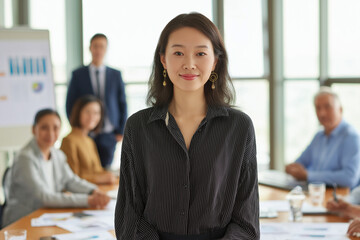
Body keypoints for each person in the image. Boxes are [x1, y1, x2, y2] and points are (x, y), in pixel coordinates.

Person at [114, 12, 259, 239]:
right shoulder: (138, 127)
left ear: (215, 61)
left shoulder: (239, 128)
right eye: (178, 53)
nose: (189, 64)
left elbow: (246, 224)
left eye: (200, 53)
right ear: (163, 59)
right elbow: (129, 217)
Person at [2, 109, 110, 227]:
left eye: (56, 128)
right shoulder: (25, 158)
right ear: (34, 130)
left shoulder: (57, 154)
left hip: (46, 216)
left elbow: (71, 180)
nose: (51, 133)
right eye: (44, 128)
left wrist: (94, 191)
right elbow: (44, 197)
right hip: (21, 222)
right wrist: (88, 200)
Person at [66, 33, 127, 168]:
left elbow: (122, 103)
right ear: (90, 48)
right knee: (86, 168)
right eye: (95, 46)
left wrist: (120, 131)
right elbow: (70, 103)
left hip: (109, 133)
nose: (98, 50)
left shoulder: (116, 75)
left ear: (106, 49)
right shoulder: (78, 74)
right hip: (86, 132)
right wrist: (76, 127)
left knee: (105, 168)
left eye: (102, 47)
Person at [285, 87, 360, 188]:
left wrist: (308, 175)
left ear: (340, 109)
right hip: (315, 194)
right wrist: (292, 168)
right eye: (318, 108)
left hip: (339, 199)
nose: (322, 113)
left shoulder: (351, 137)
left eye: (327, 107)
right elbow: (300, 163)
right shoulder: (319, 136)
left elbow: (349, 178)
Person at [61, 95, 117, 184]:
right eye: (87, 112)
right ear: (78, 113)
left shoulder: (89, 141)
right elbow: (71, 178)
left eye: (96, 113)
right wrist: (99, 179)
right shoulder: (68, 141)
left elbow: (97, 171)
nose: (92, 116)